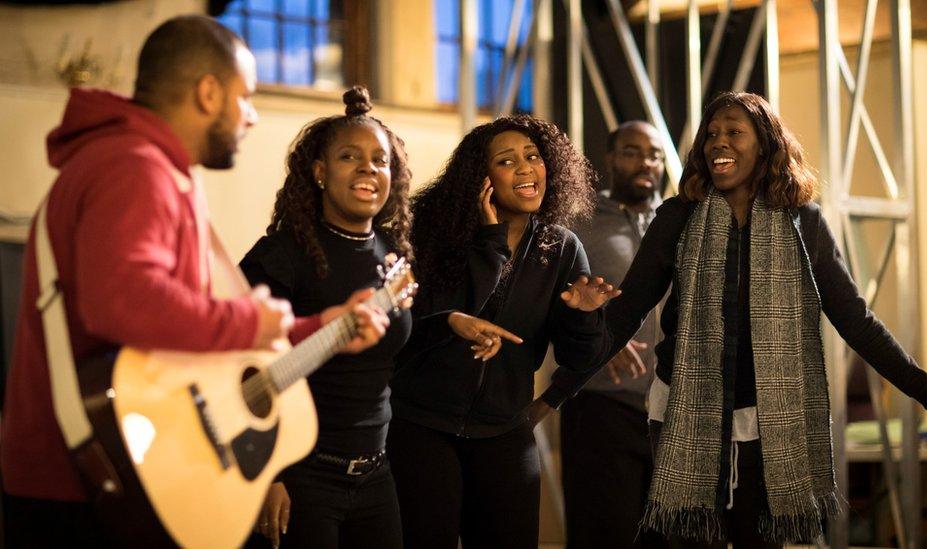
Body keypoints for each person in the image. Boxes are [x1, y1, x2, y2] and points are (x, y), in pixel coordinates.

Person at [0, 16, 386, 547]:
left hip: (119, 471)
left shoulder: (149, 167)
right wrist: (253, 319)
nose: (251, 117)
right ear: (208, 93)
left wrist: (315, 327)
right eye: (245, 97)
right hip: (84, 485)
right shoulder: (134, 168)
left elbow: (193, 332)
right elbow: (125, 302)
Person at [591, 91, 927, 547]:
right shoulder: (677, 217)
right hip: (683, 414)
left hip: (769, 422)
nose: (719, 143)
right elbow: (626, 311)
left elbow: (856, 321)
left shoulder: (803, 222)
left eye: (735, 132)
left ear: (766, 144)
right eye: (712, 134)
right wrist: (569, 356)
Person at [241, 86, 515, 549]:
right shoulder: (281, 256)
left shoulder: (393, 255)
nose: (369, 167)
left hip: (376, 477)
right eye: (350, 156)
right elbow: (244, 371)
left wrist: (447, 320)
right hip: (300, 478)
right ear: (319, 172)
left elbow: (390, 348)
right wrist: (270, 475)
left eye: (381, 160)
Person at [387, 114, 619, 549]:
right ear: (482, 178)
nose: (527, 168)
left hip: (502, 433)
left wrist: (583, 317)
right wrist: (491, 241)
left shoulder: (562, 248)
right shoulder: (435, 237)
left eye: (533, 157)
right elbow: (412, 331)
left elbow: (579, 358)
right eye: (507, 161)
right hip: (421, 426)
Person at [537, 120, 669, 548]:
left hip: (672, 414)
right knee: (603, 533)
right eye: (632, 151)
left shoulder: (678, 224)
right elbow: (545, 301)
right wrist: (597, 339)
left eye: (655, 154)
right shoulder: (579, 222)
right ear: (611, 159)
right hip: (600, 407)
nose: (645, 162)